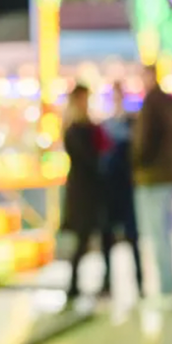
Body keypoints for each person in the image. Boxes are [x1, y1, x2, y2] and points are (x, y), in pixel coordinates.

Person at [132, 65, 172, 308]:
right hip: (170, 175)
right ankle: (169, 288)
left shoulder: (151, 104)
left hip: (152, 177)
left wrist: (134, 163)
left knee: (157, 236)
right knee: (165, 235)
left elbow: (143, 142)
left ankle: (166, 291)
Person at [61, 84, 109, 301]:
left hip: (94, 190)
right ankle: (73, 285)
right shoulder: (73, 129)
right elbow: (88, 158)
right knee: (82, 239)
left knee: (103, 237)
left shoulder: (90, 126)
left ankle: (106, 283)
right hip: (82, 192)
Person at [101, 81, 144, 298]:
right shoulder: (106, 125)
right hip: (111, 190)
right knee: (108, 238)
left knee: (132, 238)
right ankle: (108, 282)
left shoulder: (130, 122)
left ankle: (140, 284)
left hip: (126, 187)